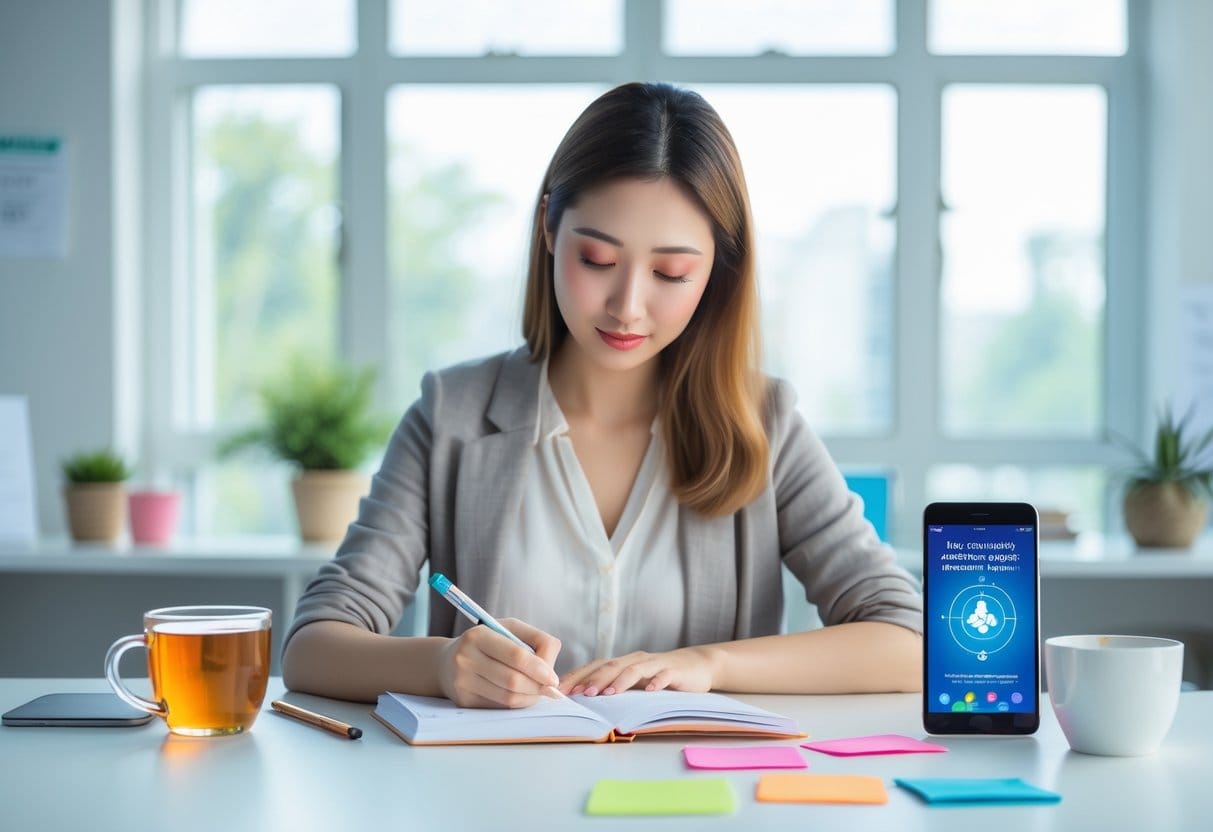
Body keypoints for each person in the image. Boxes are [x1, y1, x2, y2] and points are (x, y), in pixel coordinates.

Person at [282, 81, 923, 707]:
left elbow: (910, 640)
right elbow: (312, 647)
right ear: (549, 228)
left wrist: (711, 662)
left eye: (671, 272)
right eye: (596, 259)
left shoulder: (764, 424)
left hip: (699, 807)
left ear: (717, 270)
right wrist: (445, 663)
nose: (628, 307)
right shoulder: (451, 416)